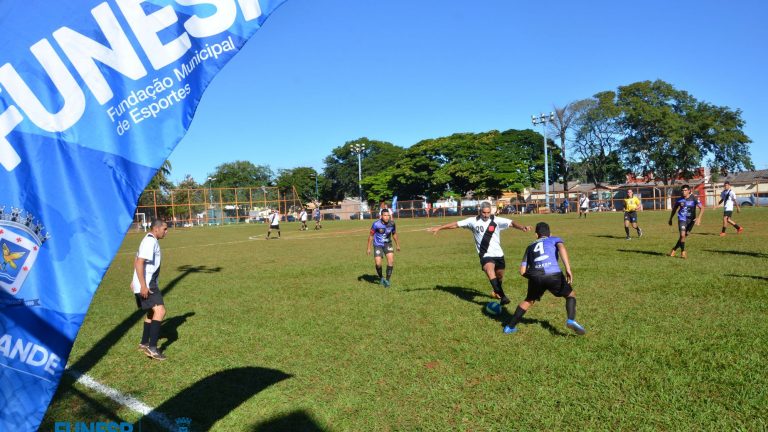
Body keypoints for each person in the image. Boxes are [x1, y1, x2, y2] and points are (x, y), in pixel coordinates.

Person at [429, 201, 531, 305]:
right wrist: (440, 228)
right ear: (480, 211)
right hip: (485, 254)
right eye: (484, 212)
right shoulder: (472, 221)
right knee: (489, 270)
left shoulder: (496, 220)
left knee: (499, 276)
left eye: (488, 212)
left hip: (498, 254)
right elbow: (456, 224)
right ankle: (503, 297)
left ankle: (497, 291)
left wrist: (522, 227)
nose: (486, 215)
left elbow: (511, 223)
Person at [502, 222, 585, 335]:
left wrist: (535, 278)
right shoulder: (554, 239)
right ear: (550, 234)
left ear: (536, 235)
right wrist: (568, 268)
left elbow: (522, 271)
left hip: (535, 275)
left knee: (528, 300)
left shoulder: (529, 247)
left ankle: (509, 327)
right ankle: (570, 320)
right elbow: (561, 248)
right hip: (553, 274)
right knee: (570, 295)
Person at [131, 219, 169, 360]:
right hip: (148, 283)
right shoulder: (150, 241)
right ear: (156, 229)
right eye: (164, 229)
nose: (166, 232)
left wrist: (134, 280)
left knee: (151, 312)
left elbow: (137, 260)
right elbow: (139, 262)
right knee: (160, 311)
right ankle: (152, 348)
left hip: (144, 282)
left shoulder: (148, 239)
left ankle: (144, 343)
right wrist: (143, 285)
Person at [668, 184, 704, 259]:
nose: (683, 192)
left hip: (691, 220)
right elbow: (674, 210)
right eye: (682, 190)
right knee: (682, 235)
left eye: (685, 190)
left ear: (689, 191)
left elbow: (702, 208)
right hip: (682, 219)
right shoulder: (679, 200)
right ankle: (683, 252)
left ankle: (674, 249)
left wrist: (699, 218)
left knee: (684, 236)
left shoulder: (693, 198)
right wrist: (670, 218)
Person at [366, 209, 401, 287]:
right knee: (378, 263)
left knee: (391, 261)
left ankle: (387, 280)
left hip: (388, 244)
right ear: (381, 216)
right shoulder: (376, 224)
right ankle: (381, 278)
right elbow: (371, 236)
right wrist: (368, 248)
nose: (387, 217)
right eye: (385, 215)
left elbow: (394, 234)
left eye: (388, 215)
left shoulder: (392, 223)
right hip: (378, 245)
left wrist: (397, 245)